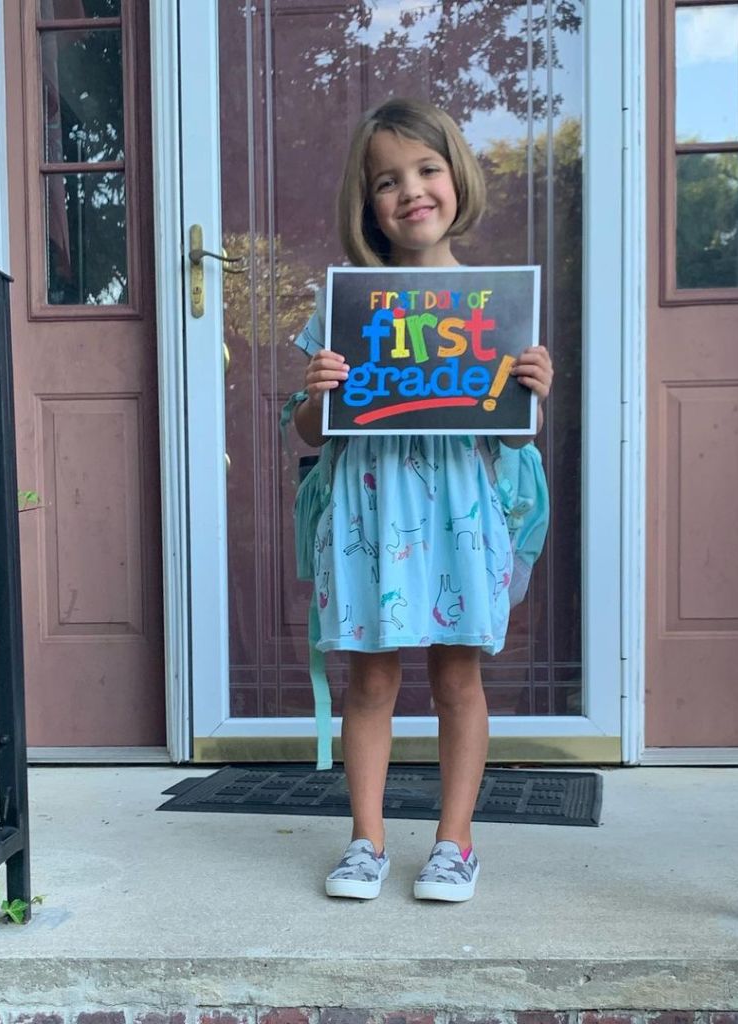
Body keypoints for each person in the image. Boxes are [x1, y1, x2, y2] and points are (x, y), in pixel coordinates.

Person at [288, 97, 553, 902]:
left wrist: (533, 395)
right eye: (387, 181)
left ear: (456, 178)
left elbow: (513, 439)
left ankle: (455, 842)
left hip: (458, 517)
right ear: (368, 205)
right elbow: (308, 433)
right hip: (371, 510)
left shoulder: (497, 307)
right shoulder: (344, 309)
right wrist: (316, 392)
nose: (412, 191)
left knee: (457, 682)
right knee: (367, 681)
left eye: (427, 169)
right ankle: (366, 841)